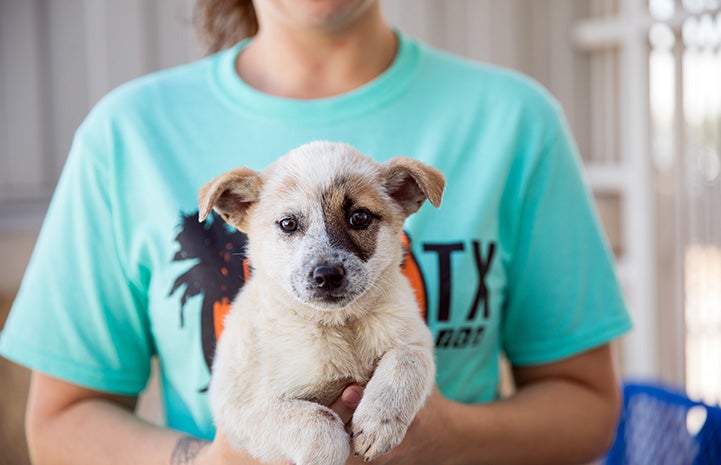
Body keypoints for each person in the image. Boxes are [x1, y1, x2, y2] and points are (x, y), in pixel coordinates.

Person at [0, 1, 633, 464]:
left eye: (358, 219)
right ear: (240, 214)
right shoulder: (125, 135)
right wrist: (213, 462)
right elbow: (58, 426)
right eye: (290, 227)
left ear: (402, 203)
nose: (325, 260)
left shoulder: (516, 122)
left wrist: (446, 440)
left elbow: (588, 408)